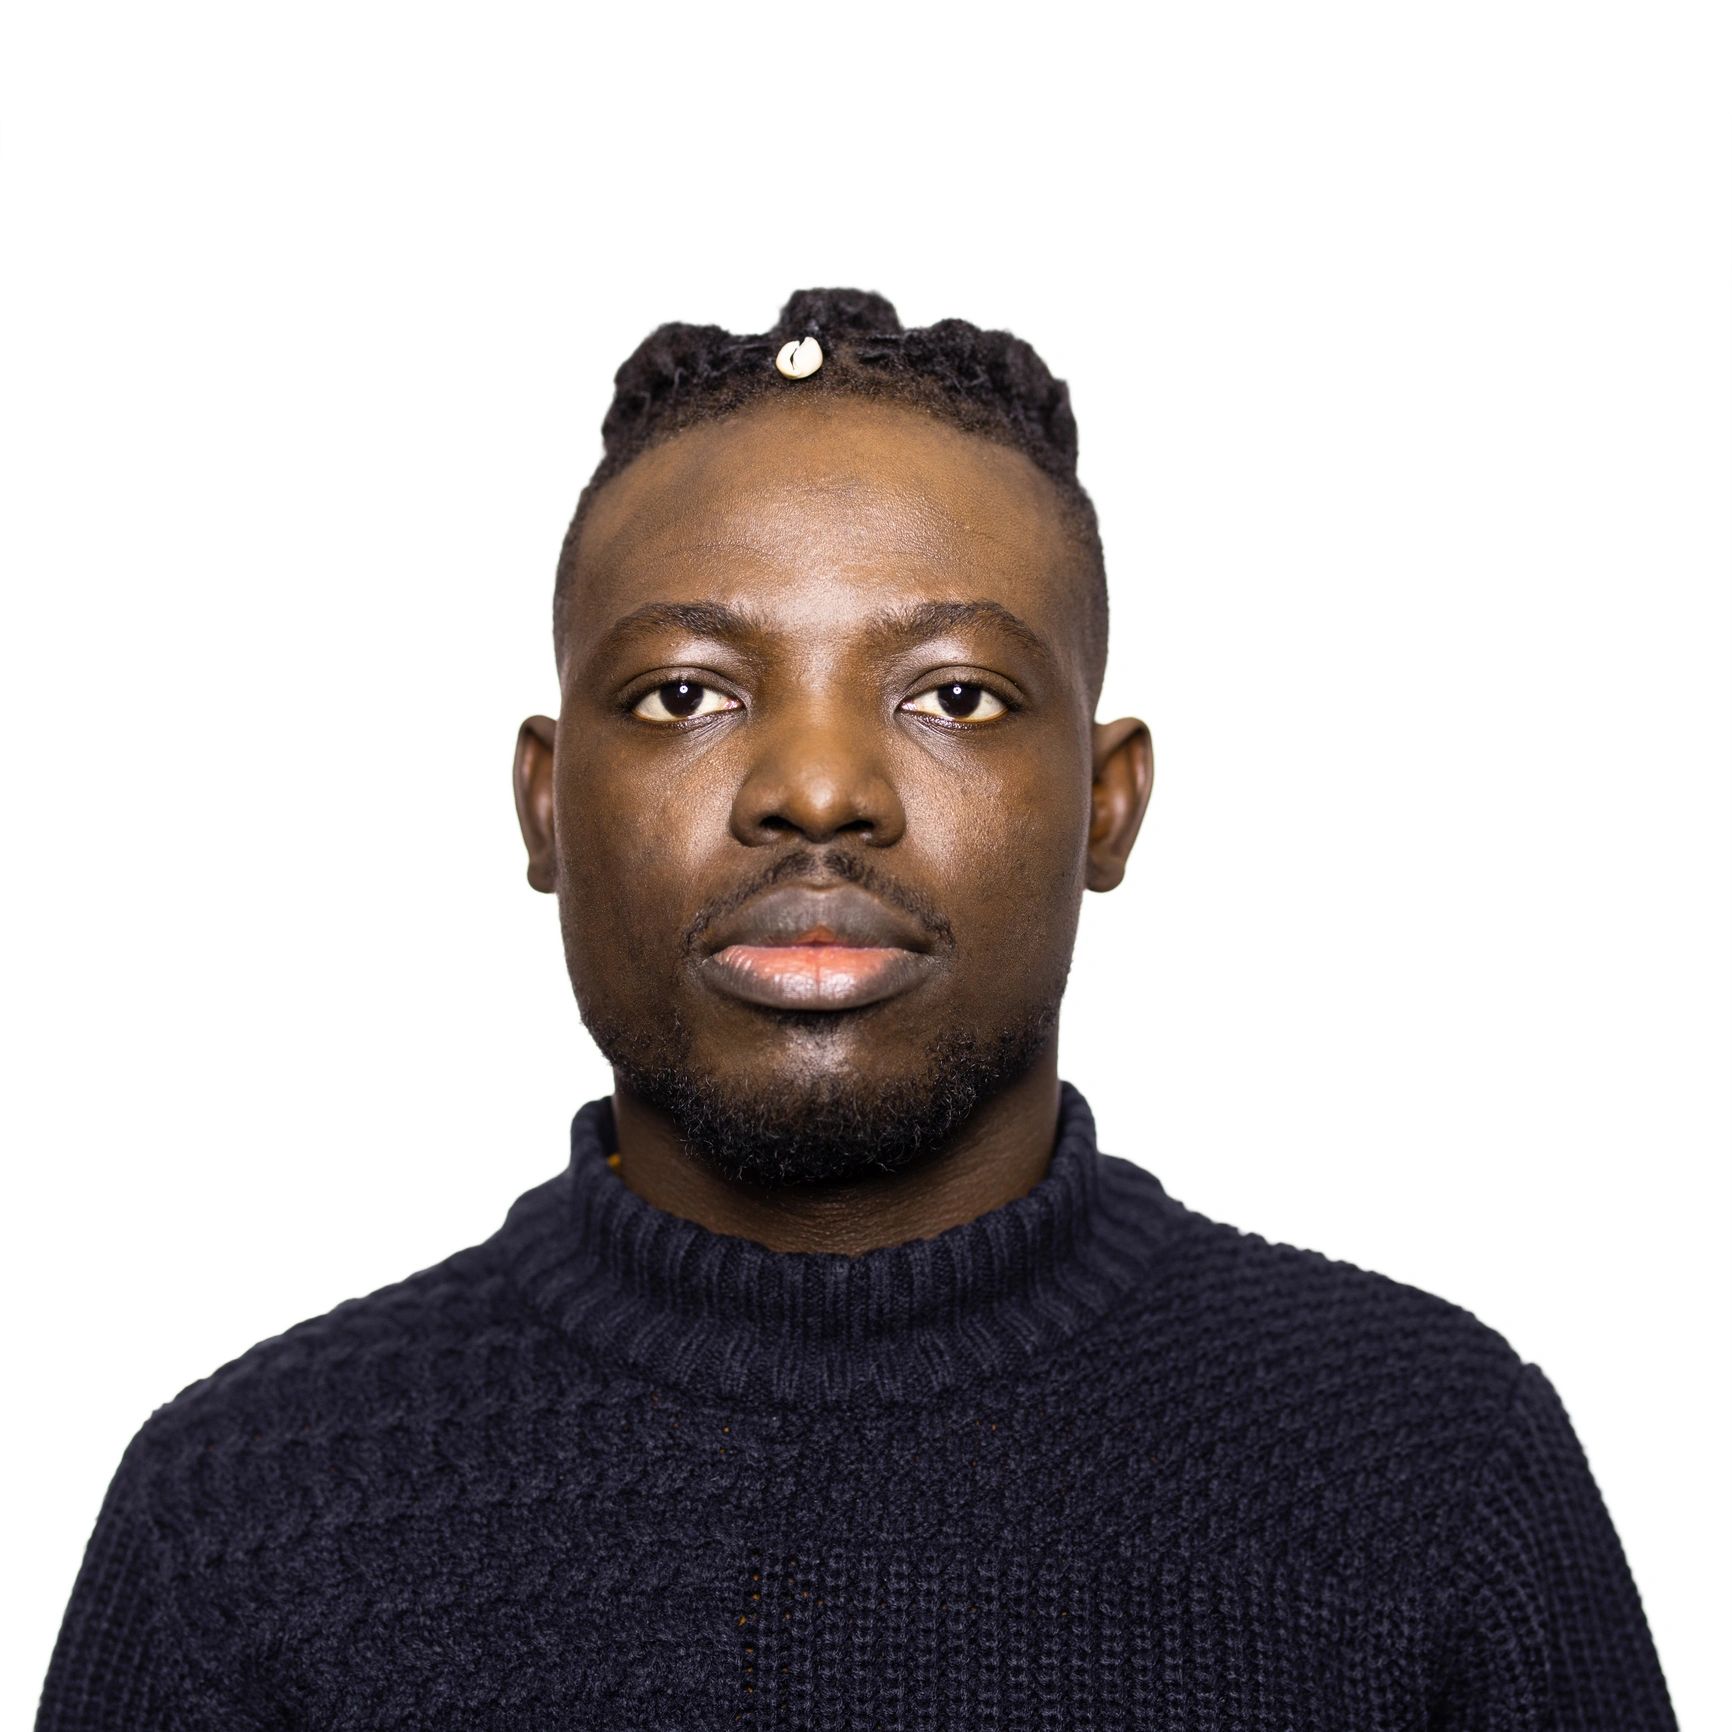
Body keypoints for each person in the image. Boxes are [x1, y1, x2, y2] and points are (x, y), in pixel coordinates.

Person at [35, 289, 1678, 1730]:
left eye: (953, 694)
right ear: (544, 804)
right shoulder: (242, 1520)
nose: (817, 790)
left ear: (1107, 805)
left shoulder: (1430, 1466)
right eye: (686, 694)